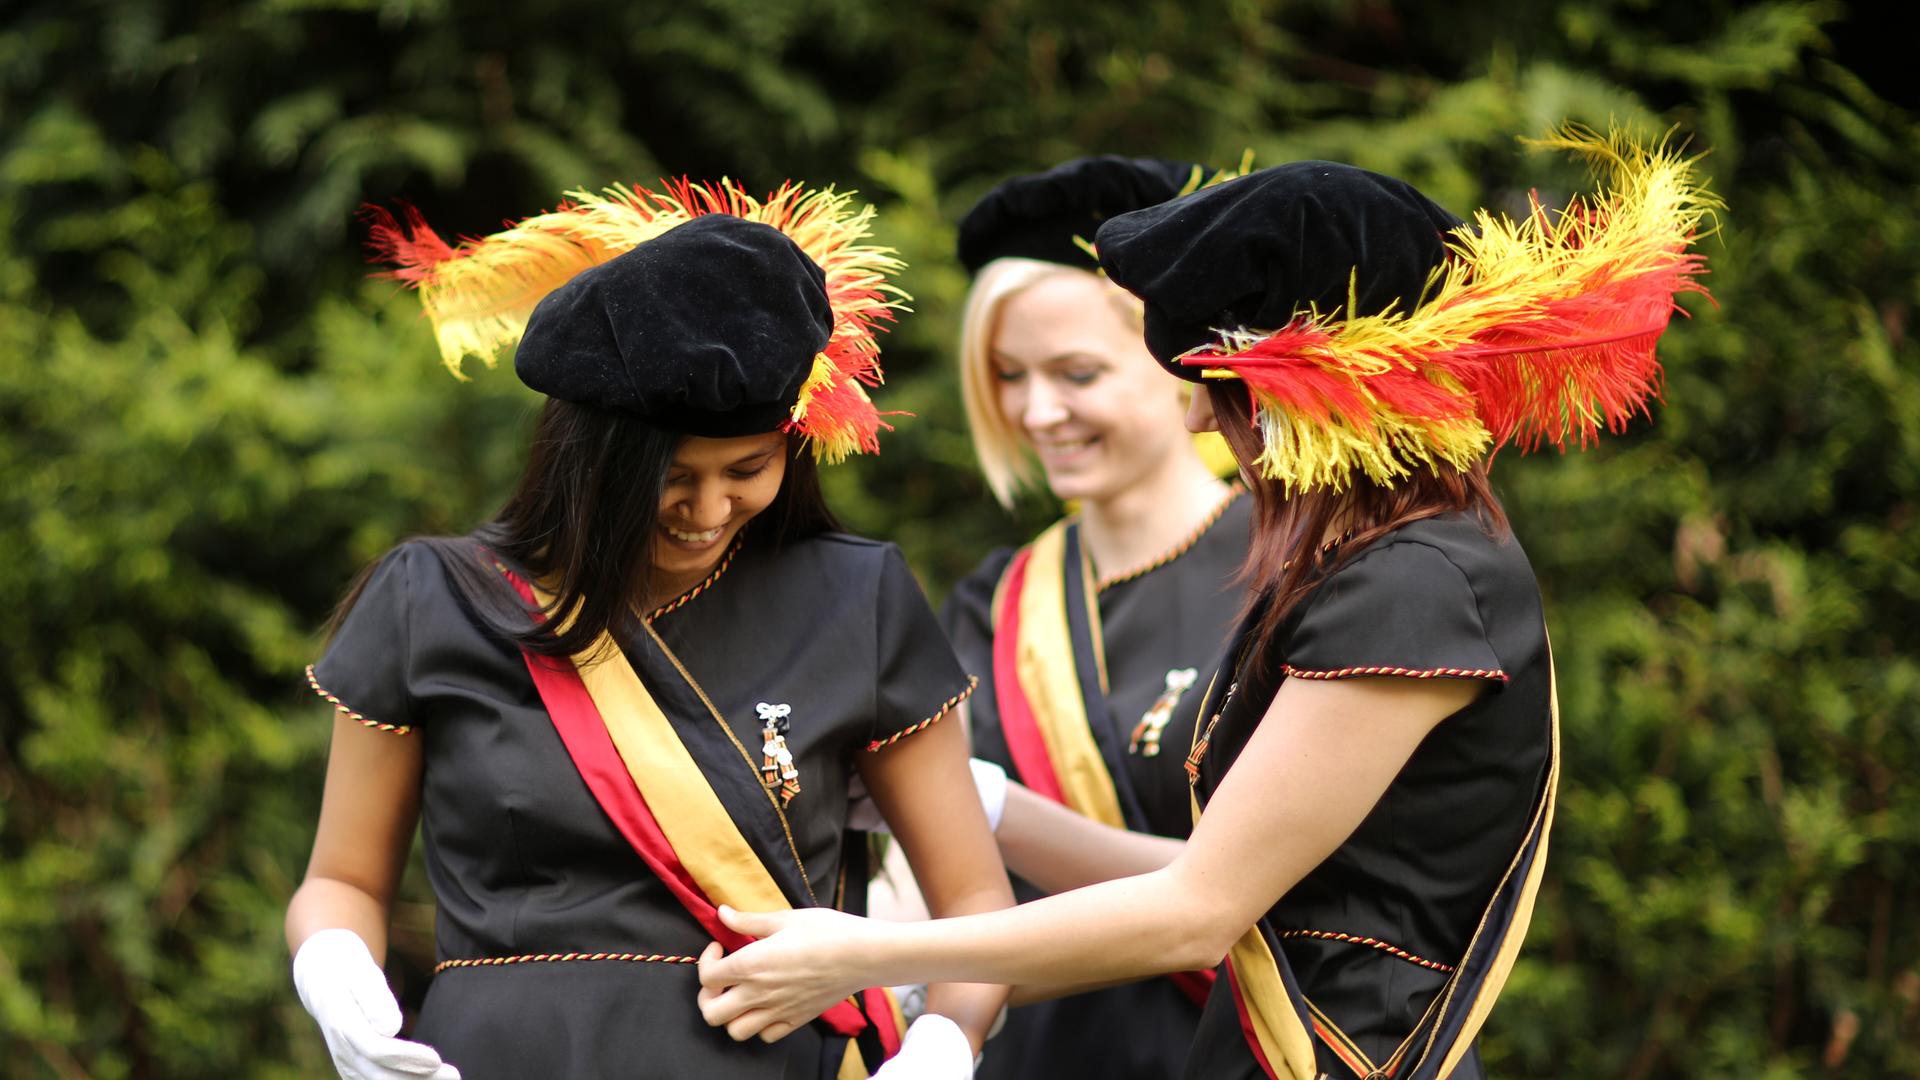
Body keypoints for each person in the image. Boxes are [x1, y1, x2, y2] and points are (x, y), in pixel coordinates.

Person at [691, 129, 1715, 1079]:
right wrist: (942, 993)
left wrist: (872, 957)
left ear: (1306, 391)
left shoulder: (1417, 585)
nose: (1193, 415)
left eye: (1216, 387)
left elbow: (1197, 910)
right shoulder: (1392, 569)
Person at [285, 181, 1014, 1080]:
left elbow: (976, 900)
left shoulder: (855, 595)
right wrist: (332, 968)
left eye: (747, 469)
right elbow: (343, 880)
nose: (708, 510)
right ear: (588, 463)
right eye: (671, 478)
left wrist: (948, 1041)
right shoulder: (433, 597)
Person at [934, 155, 1252, 1079]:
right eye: (1007, 374)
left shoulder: (1296, 569)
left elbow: (1280, 900)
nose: (1038, 412)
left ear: (1179, 361)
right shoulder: (989, 606)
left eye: (1076, 372)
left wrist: (994, 809)